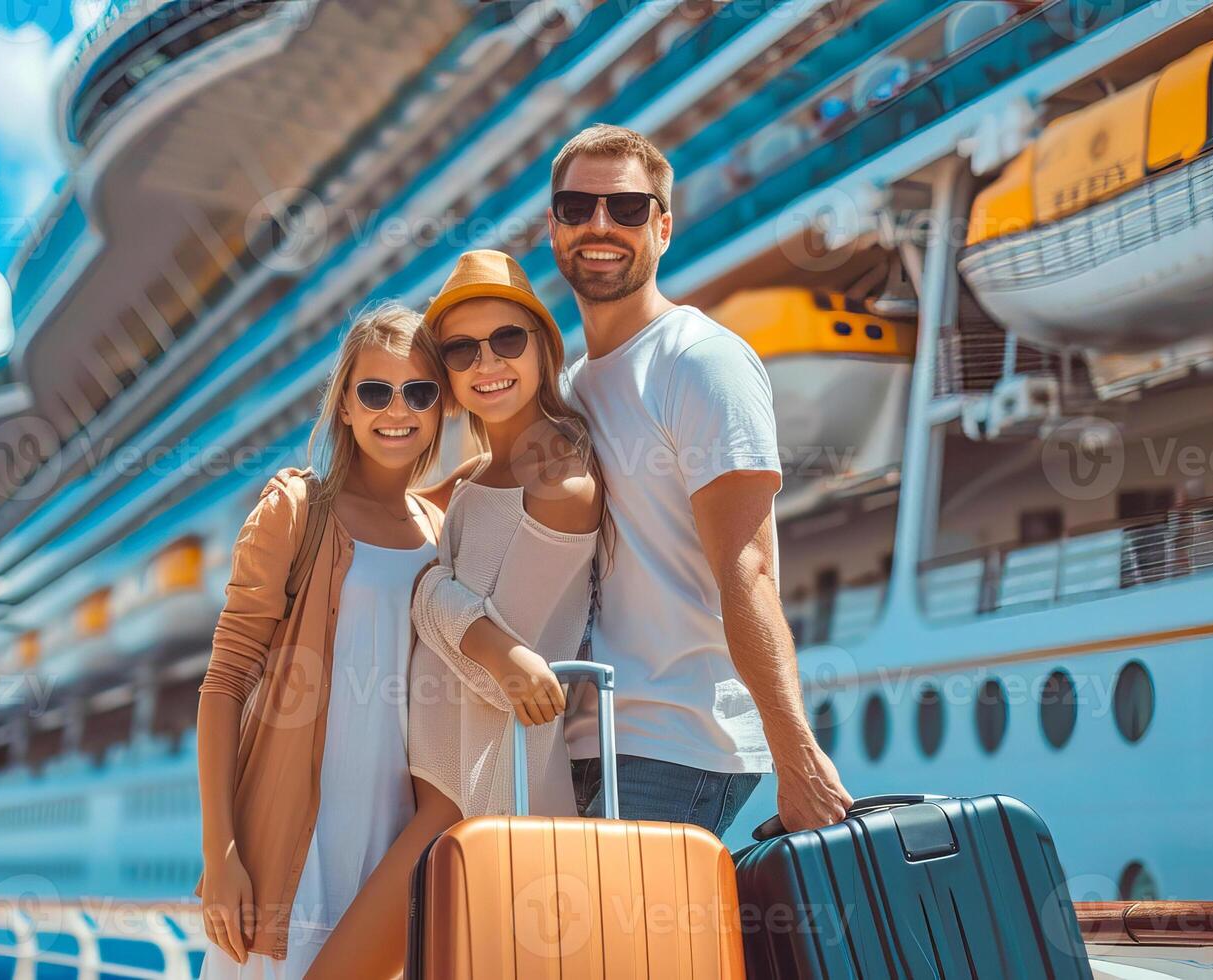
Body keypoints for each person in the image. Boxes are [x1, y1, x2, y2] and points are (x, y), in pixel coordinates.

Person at [306, 250, 606, 979]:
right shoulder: (478, 479)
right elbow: (397, 520)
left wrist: (433, 596)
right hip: (440, 799)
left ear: (542, 346)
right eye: (461, 350)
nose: (487, 362)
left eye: (507, 339)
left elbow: (503, 664)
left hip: (479, 803)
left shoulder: (558, 478)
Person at [550, 124, 853, 836]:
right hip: (590, 737)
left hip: (682, 740)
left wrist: (796, 755)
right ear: (554, 228)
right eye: (578, 207)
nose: (600, 225)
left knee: (606, 946)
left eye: (626, 209)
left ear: (662, 227)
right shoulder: (570, 387)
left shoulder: (700, 360)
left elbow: (747, 568)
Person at [195, 302, 453, 980]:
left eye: (419, 392)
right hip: (287, 853)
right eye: (375, 391)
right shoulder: (296, 509)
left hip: (396, 851)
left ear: (440, 407)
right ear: (343, 404)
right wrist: (220, 854)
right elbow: (223, 685)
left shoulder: (443, 530)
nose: (397, 410)